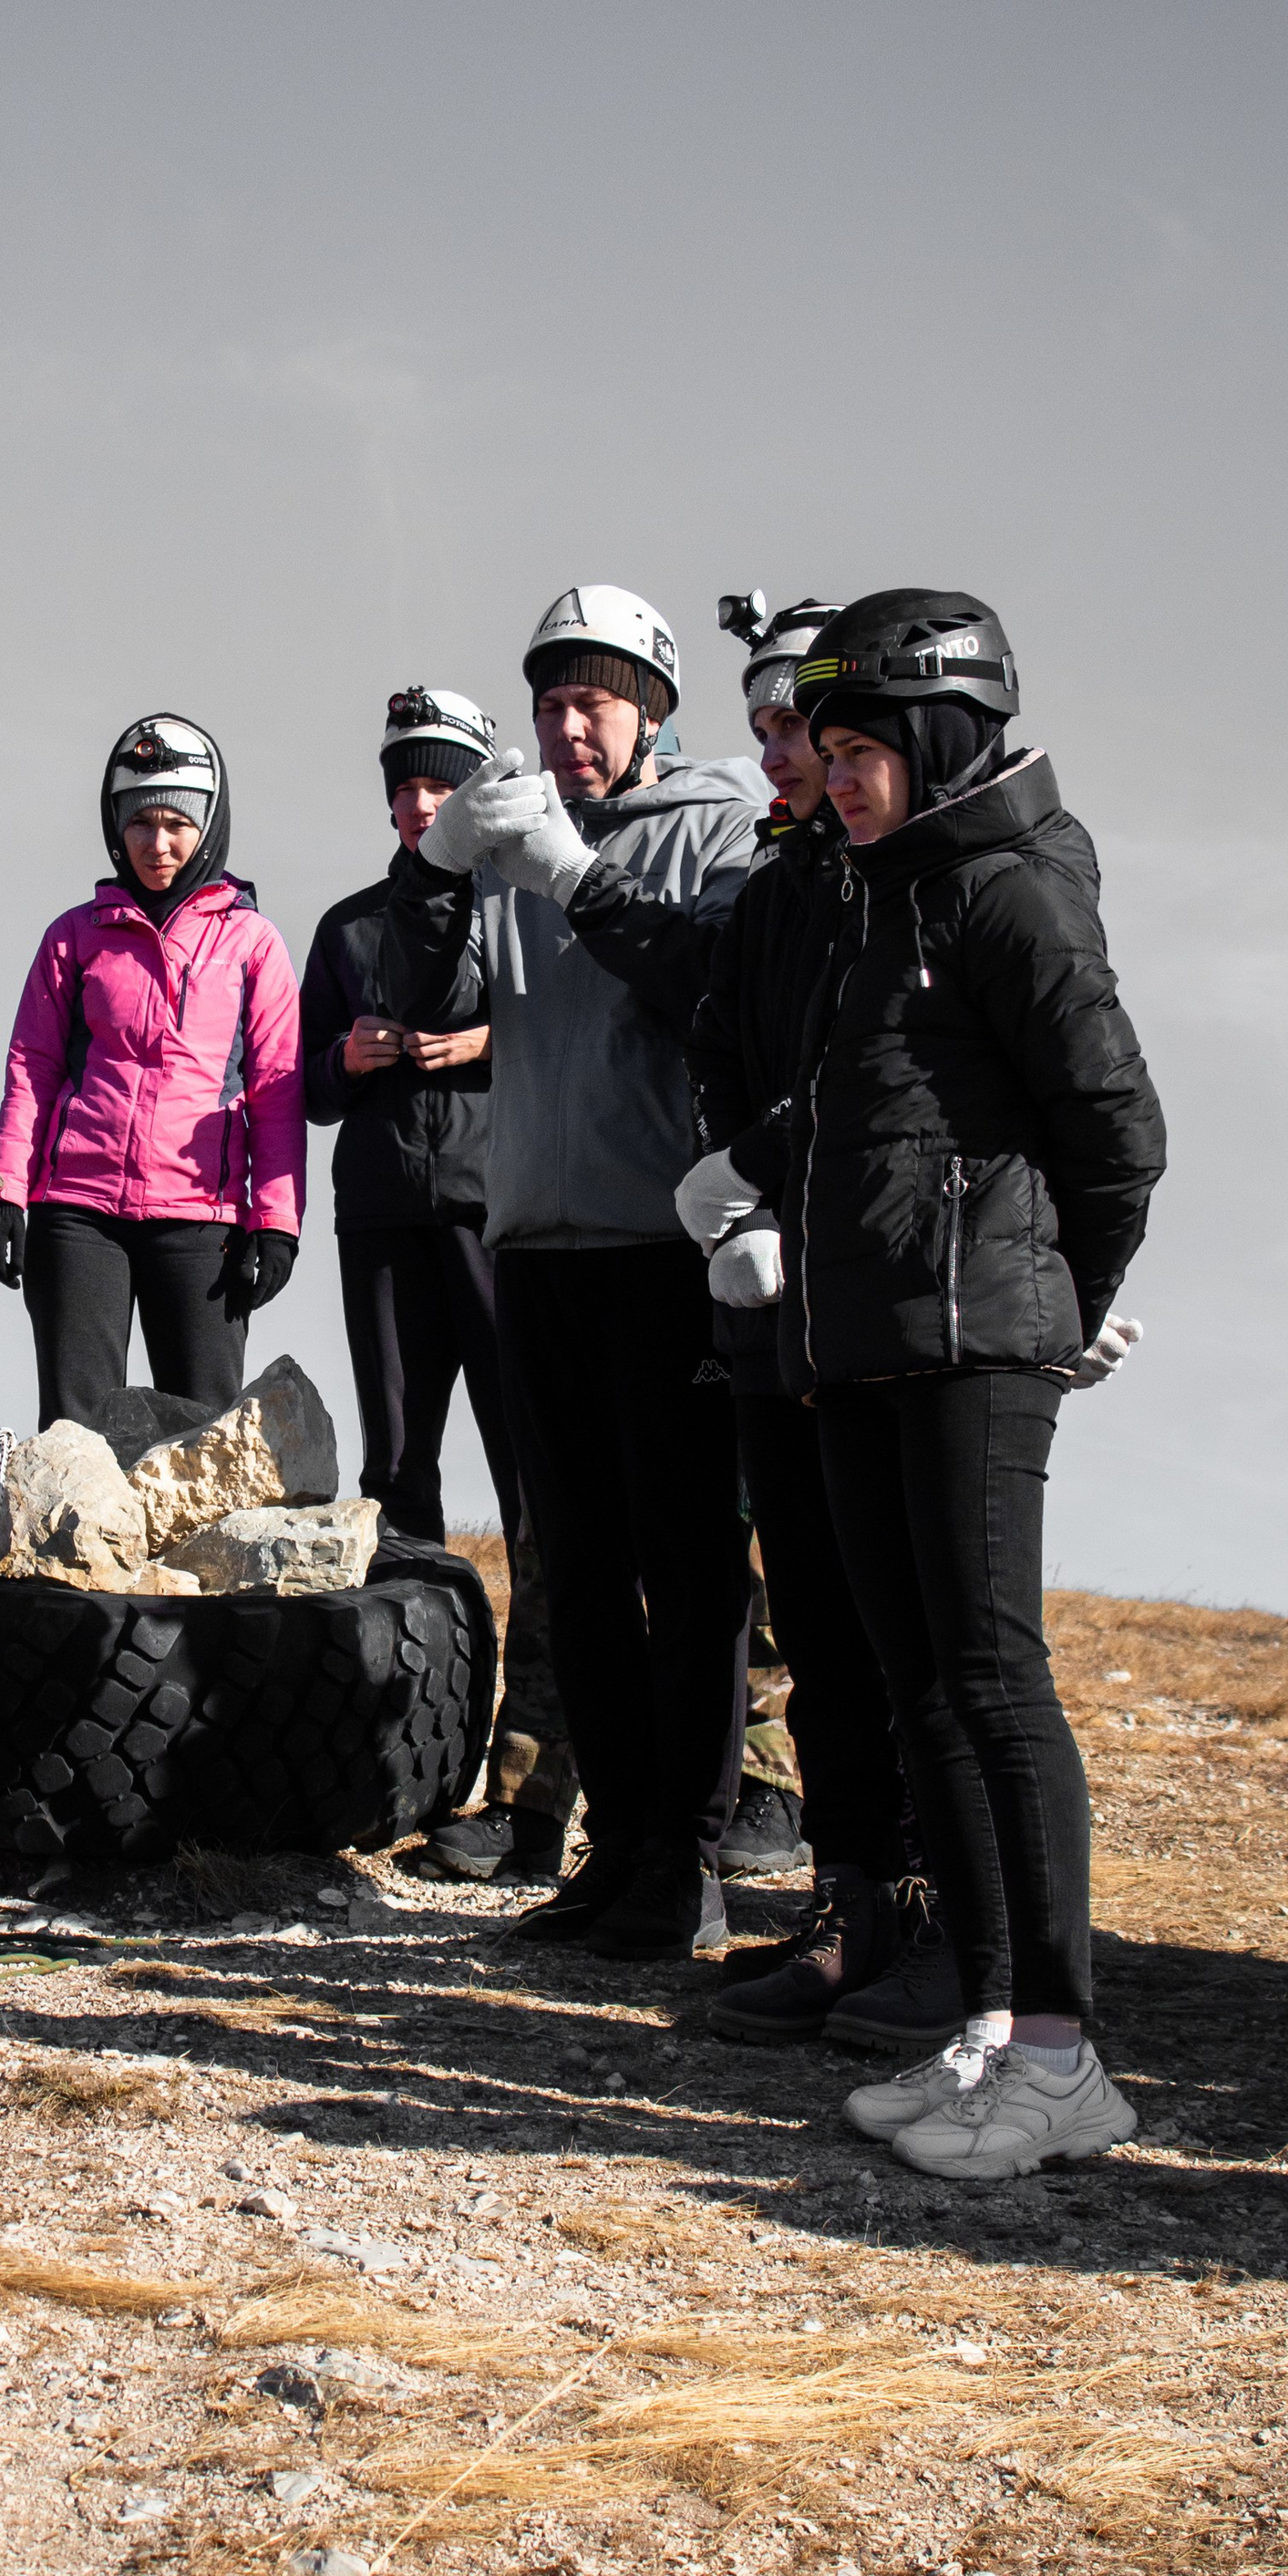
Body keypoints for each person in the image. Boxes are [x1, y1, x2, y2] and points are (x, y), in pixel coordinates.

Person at [762, 588, 1165, 2180]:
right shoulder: (888, 897)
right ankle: (995, 2025)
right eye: (828, 749)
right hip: (868, 1346)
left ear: (936, 741)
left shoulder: (1010, 895)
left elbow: (1120, 1135)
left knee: (998, 1687)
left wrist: (1059, 1308)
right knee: (923, 1685)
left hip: (977, 1345)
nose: (839, 776)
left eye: (865, 750)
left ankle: (1066, 2055)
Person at [409, 585, 762, 1960]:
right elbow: (431, 1001)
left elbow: (713, 991)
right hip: (533, 1245)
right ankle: (617, 1851)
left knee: (689, 1569)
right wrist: (436, 867)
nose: (568, 728)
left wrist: (578, 875)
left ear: (654, 710)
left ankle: (691, 1858)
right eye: (551, 702)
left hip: (662, 1251)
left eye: (595, 701)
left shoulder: (716, 826)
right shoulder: (510, 839)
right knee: (578, 1571)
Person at [682, 595, 948, 2054]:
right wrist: (740, 1208)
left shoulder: (902, 886)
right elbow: (722, 1062)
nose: (785, 756)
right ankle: (848, 1907)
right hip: (769, 1309)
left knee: (905, 1618)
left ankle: (933, 1910)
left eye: (808, 728)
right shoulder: (774, 899)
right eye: (772, 731)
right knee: (823, 1624)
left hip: (893, 1306)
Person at [301, 685, 577, 1884]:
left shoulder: (525, 912)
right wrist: (344, 1058)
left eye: (437, 784)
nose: (417, 803)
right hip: (380, 1227)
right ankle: (399, 1757)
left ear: (472, 793)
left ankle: (527, 1781)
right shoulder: (350, 925)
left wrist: (485, 1044)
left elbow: (582, 1038)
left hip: (501, 1221)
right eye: (401, 786)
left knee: (536, 1483)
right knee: (395, 1477)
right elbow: (304, 1087)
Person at [0, 718, 304, 1425]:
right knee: (74, 1437)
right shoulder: (74, 936)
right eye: (140, 824)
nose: (157, 845)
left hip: (201, 1222)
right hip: (76, 1214)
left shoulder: (254, 943)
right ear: (115, 826)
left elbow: (278, 1090)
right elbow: (31, 1068)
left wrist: (276, 1222)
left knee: (204, 1437)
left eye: (176, 825)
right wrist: (6, 1192)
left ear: (209, 826)